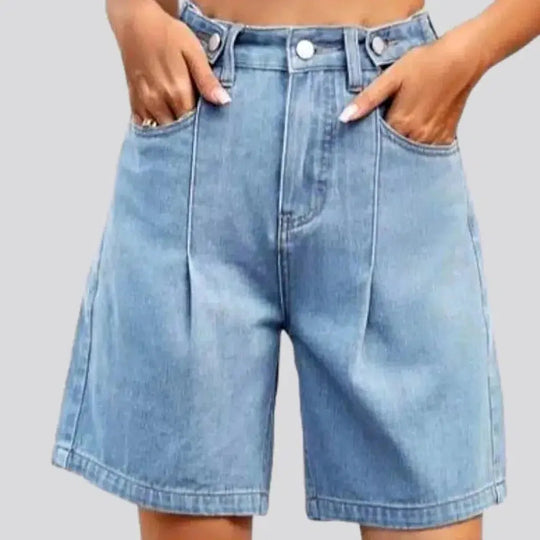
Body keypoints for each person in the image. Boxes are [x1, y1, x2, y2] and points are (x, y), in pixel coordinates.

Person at [51, 0, 539, 538]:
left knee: (429, 502)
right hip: (198, 125)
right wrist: (133, 17)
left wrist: (467, 55)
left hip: (389, 129)